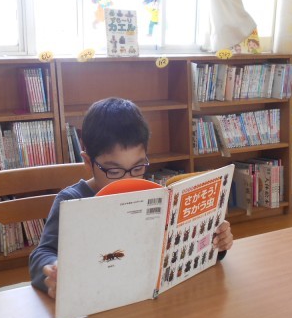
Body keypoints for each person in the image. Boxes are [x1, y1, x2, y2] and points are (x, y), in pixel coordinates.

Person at [29, 97, 234, 298]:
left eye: (137, 168)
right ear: (88, 162)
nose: (128, 180)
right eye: (114, 171)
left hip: (146, 299)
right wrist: (54, 271)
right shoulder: (71, 201)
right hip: (97, 300)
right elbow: (42, 254)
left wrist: (217, 243)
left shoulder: (153, 196)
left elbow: (176, 250)